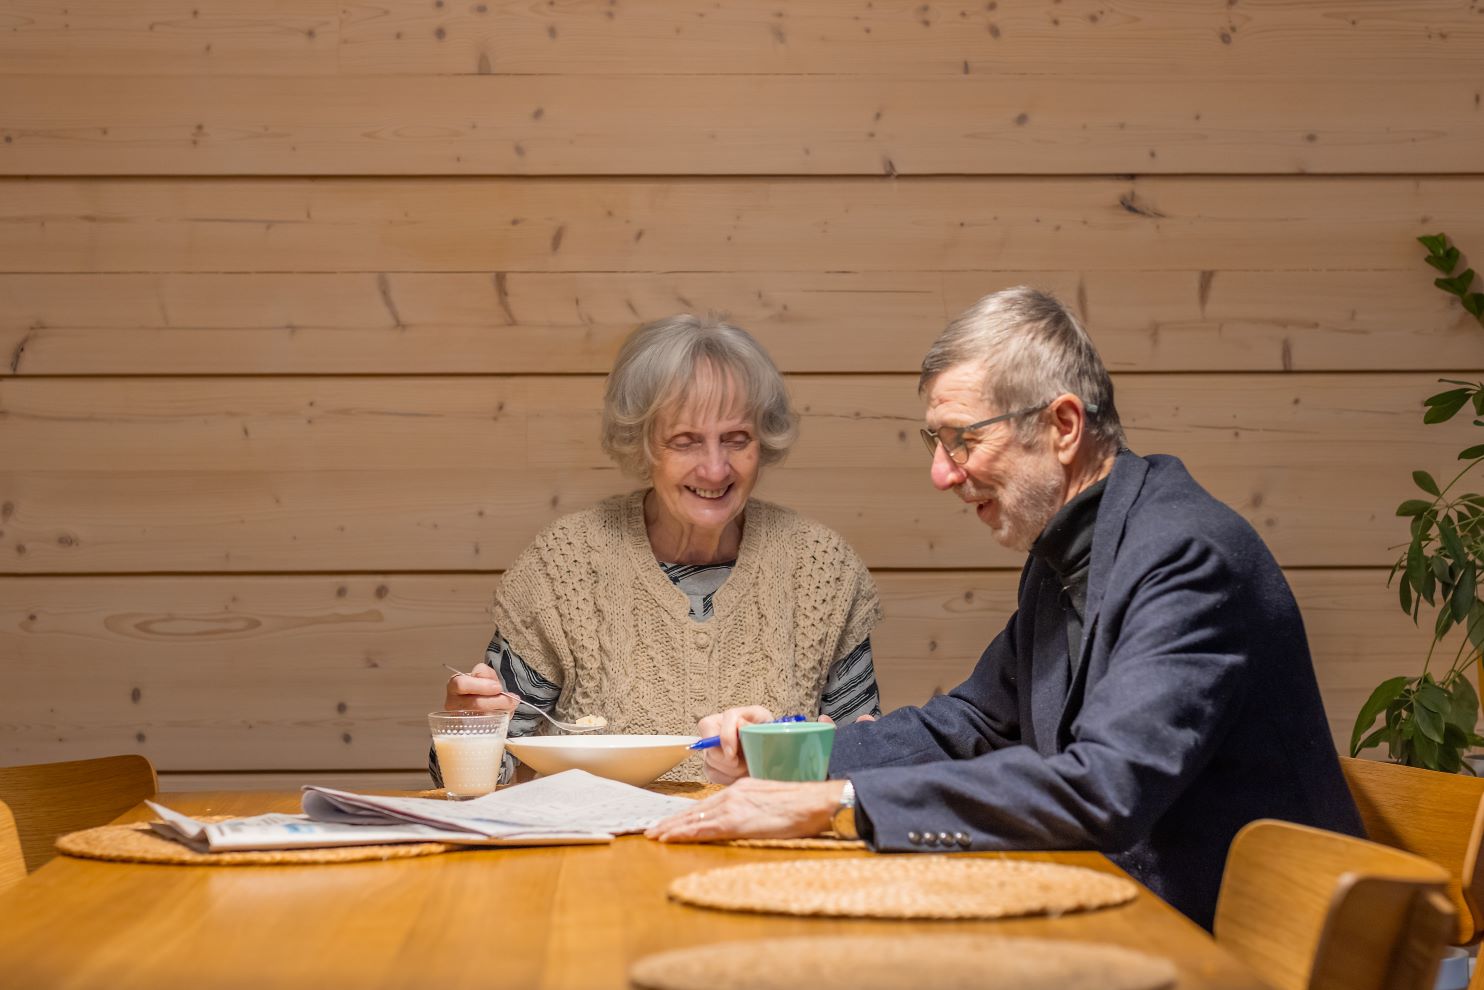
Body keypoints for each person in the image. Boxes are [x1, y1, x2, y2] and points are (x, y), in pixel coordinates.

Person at [647, 287, 1362, 929]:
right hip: (1123, 918)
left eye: (963, 439)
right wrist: (783, 755)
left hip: (1245, 950)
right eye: (936, 442)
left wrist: (835, 803)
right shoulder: (1072, 551)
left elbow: (1104, 788)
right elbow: (972, 725)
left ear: (1063, 426)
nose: (940, 473)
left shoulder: (1186, 554)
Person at [434, 314, 883, 785]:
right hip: (606, 855)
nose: (715, 469)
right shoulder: (563, 567)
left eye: (736, 439)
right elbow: (475, 778)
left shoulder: (820, 568)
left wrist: (840, 755)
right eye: (685, 441)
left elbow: (869, 763)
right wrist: (470, 728)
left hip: (767, 851)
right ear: (643, 443)